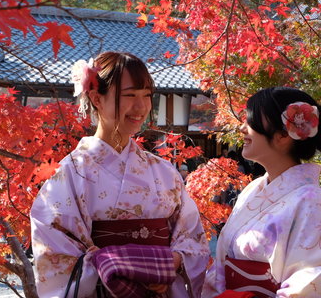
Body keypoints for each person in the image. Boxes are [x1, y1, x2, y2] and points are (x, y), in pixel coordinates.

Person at [30, 51, 210, 298]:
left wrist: (171, 265)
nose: (141, 107)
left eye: (147, 95)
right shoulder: (69, 175)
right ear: (96, 98)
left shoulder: (164, 172)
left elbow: (192, 241)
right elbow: (55, 255)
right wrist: (121, 270)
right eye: (130, 95)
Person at [202, 86, 321, 298]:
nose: (242, 128)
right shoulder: (252, 190)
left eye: (251, 120)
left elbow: (307, 283)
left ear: (284, 134)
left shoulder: (312, 202)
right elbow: (221, 268)